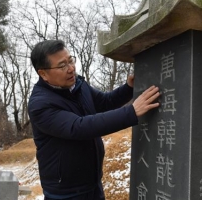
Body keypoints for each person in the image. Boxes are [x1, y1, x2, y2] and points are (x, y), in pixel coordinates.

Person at [28, 39, 160, 200]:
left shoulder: (78, 86)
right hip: (65, 192)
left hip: (92, 184)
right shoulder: (40, 104)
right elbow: (78, 127)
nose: (71, 69)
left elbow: (105, 102)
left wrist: (128, 88)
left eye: (70, 60)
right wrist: (131, 112)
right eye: (62, 66)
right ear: (43, 74)